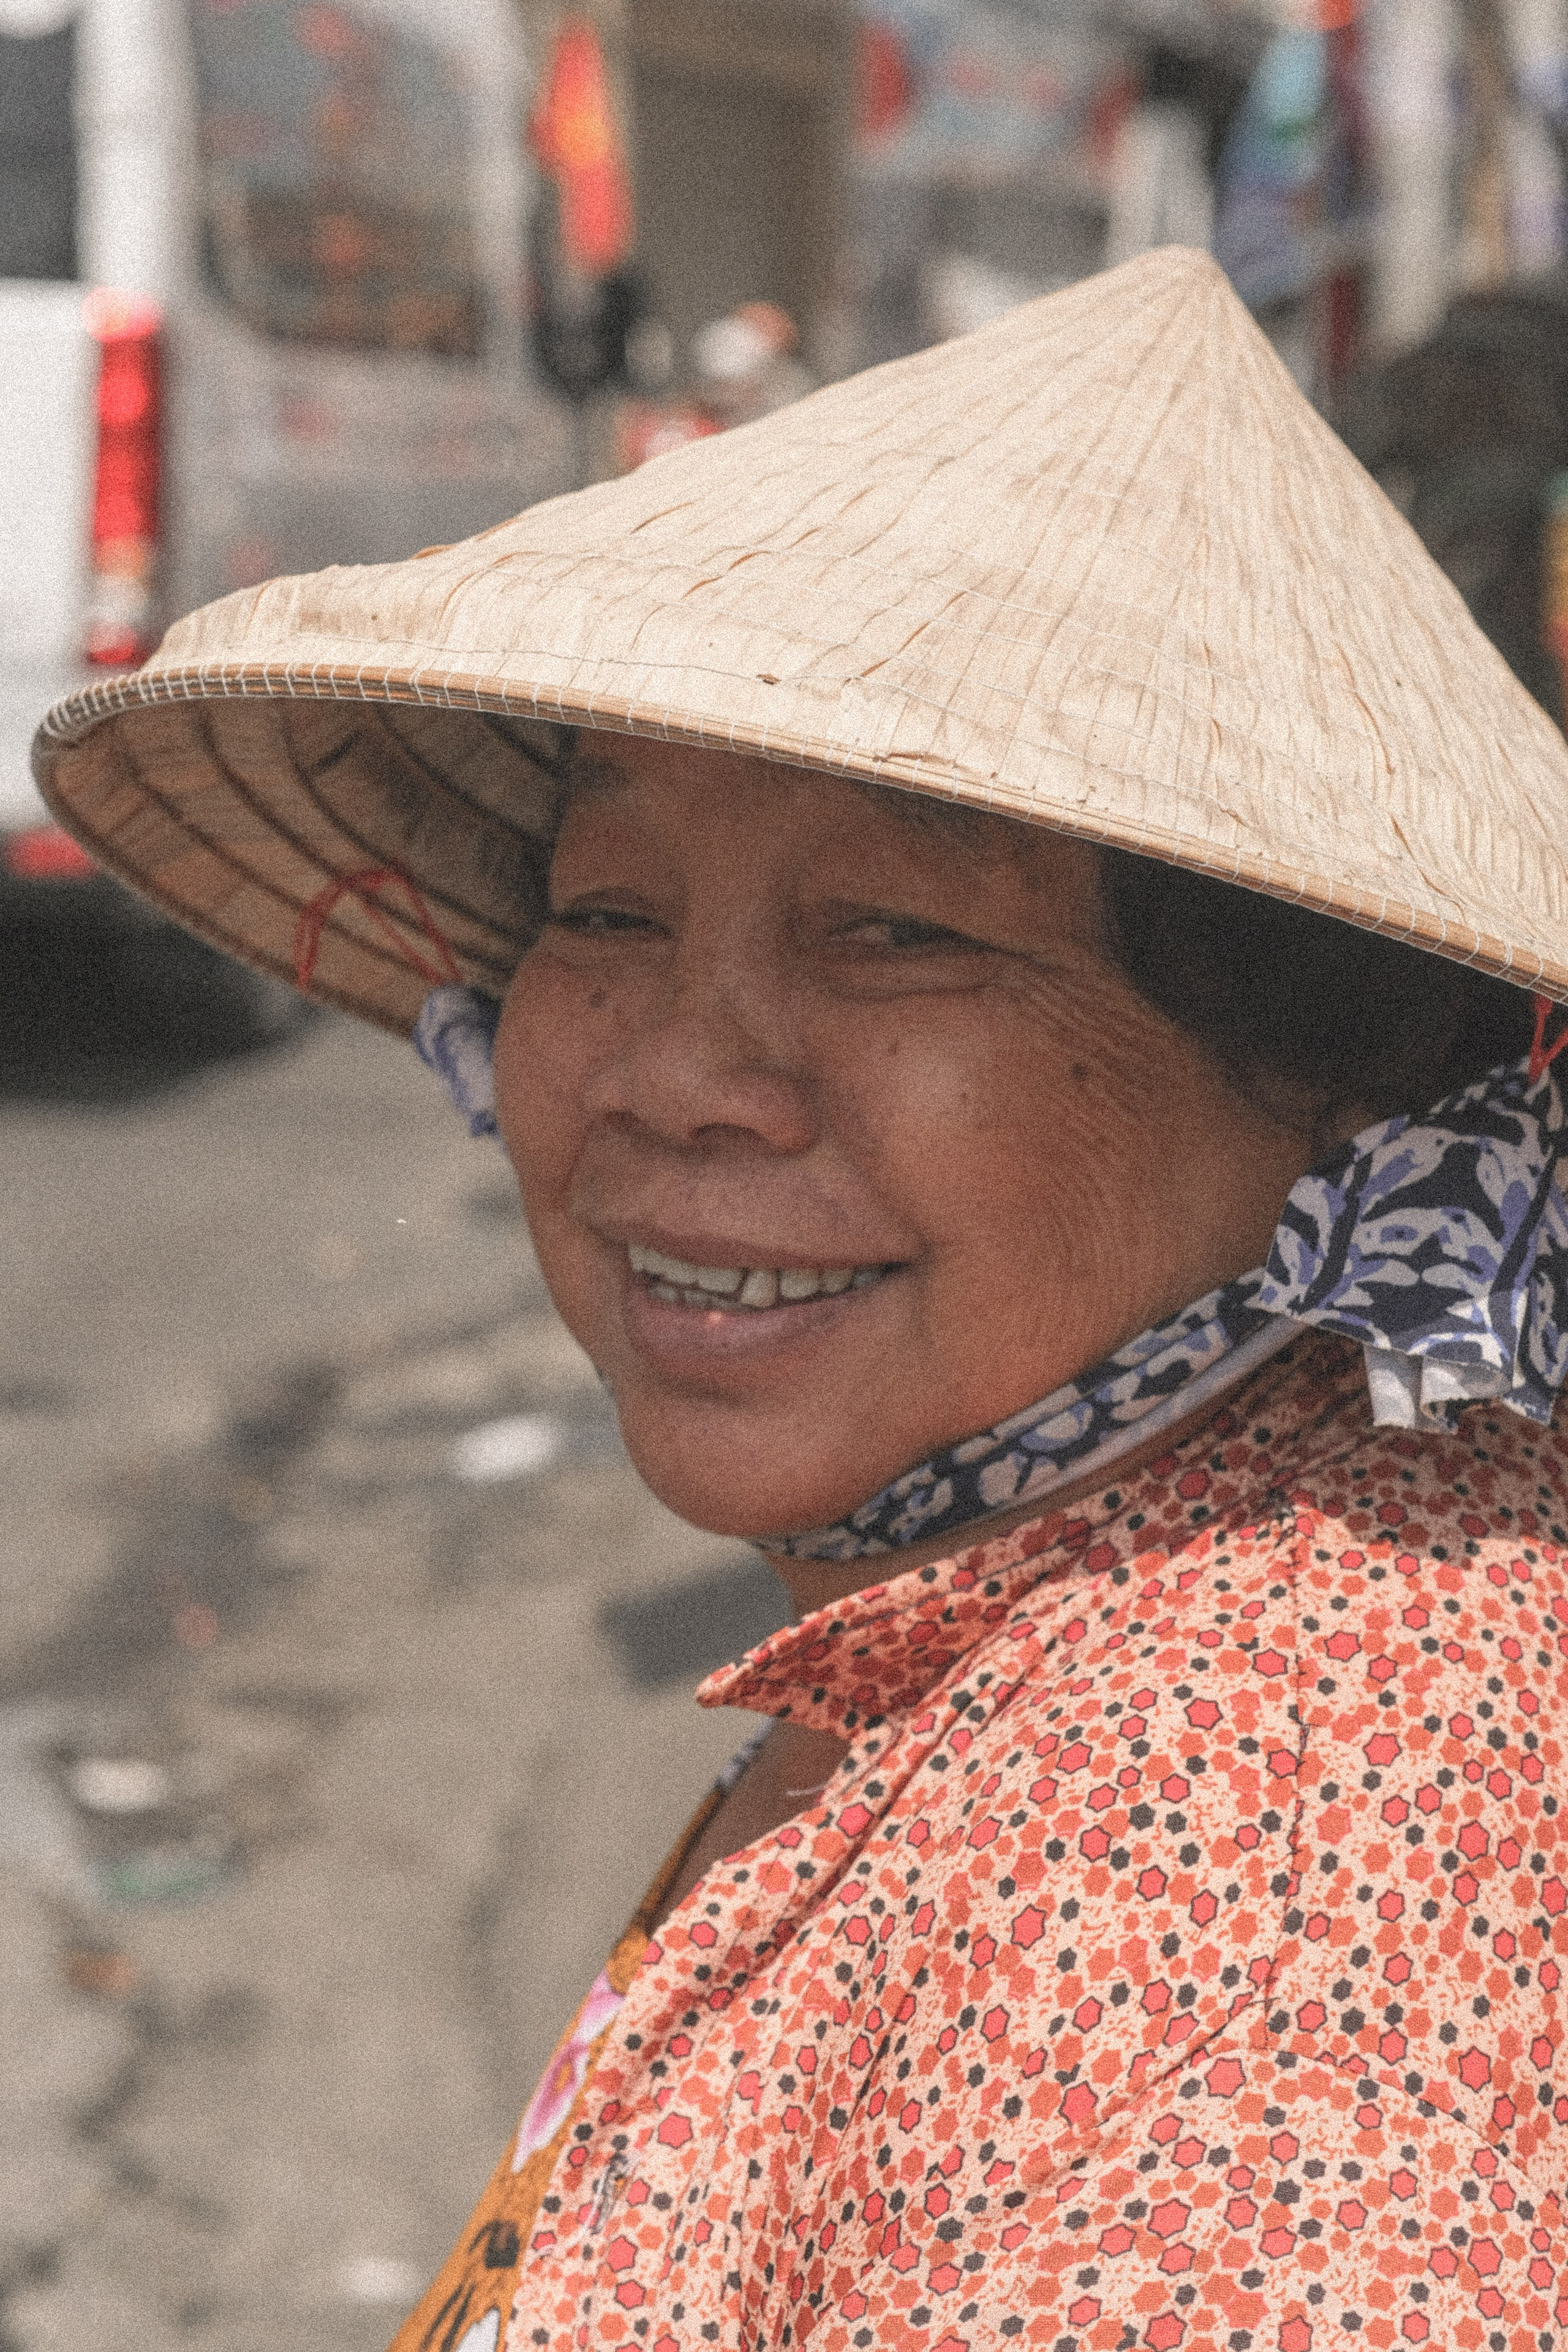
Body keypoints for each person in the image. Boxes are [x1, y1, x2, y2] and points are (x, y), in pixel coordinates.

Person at [34, 247, 1568, 2352]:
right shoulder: (1023, 1605)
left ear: (1330, 1072)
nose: (676, 1070)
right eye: (606, 911)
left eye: (896, 929)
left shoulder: (1269, 1847)